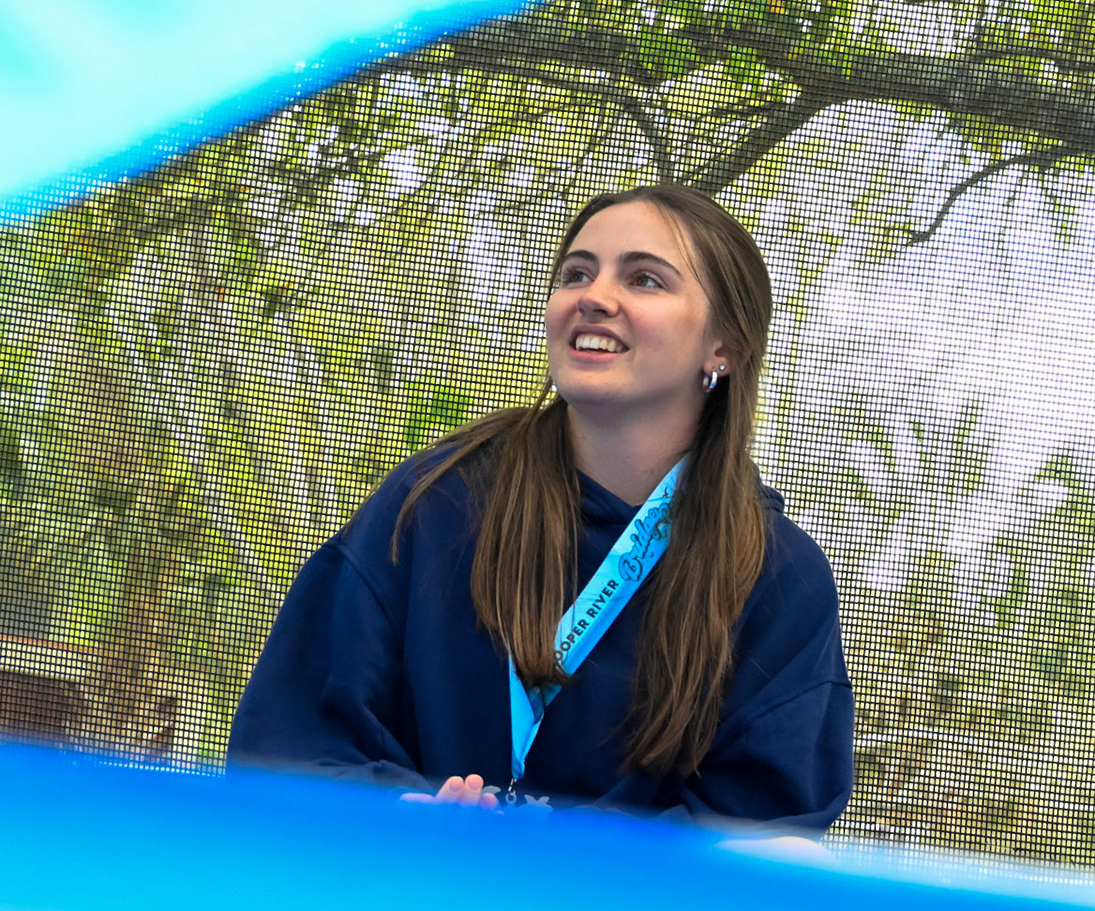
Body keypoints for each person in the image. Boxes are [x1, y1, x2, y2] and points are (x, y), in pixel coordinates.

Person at [229, 185, 854, 829]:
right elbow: (289, 742)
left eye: (644, 279)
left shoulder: (779, 577)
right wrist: (402, 819)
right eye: (576, 274)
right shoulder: (440, 501)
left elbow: (763, 829)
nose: (594, 296)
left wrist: (560, 863)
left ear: (724, 346)